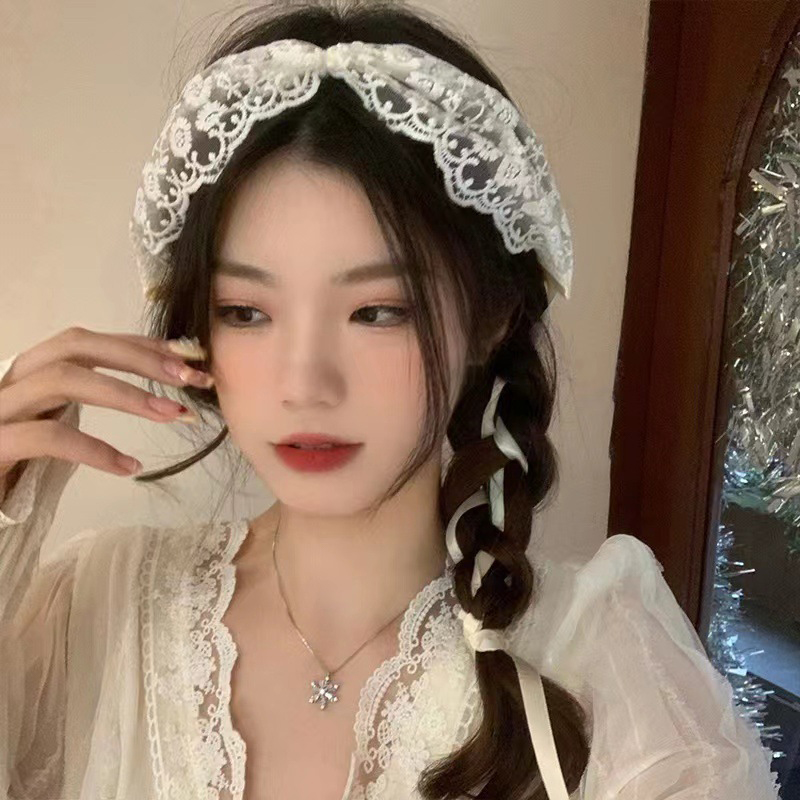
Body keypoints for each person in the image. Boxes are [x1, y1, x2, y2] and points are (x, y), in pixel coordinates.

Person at [0, 1, 781, 798]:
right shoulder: (92, 609)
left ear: (489, 318)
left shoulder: (608, 669)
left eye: (378, 311)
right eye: (246, 312)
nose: (305, 383)